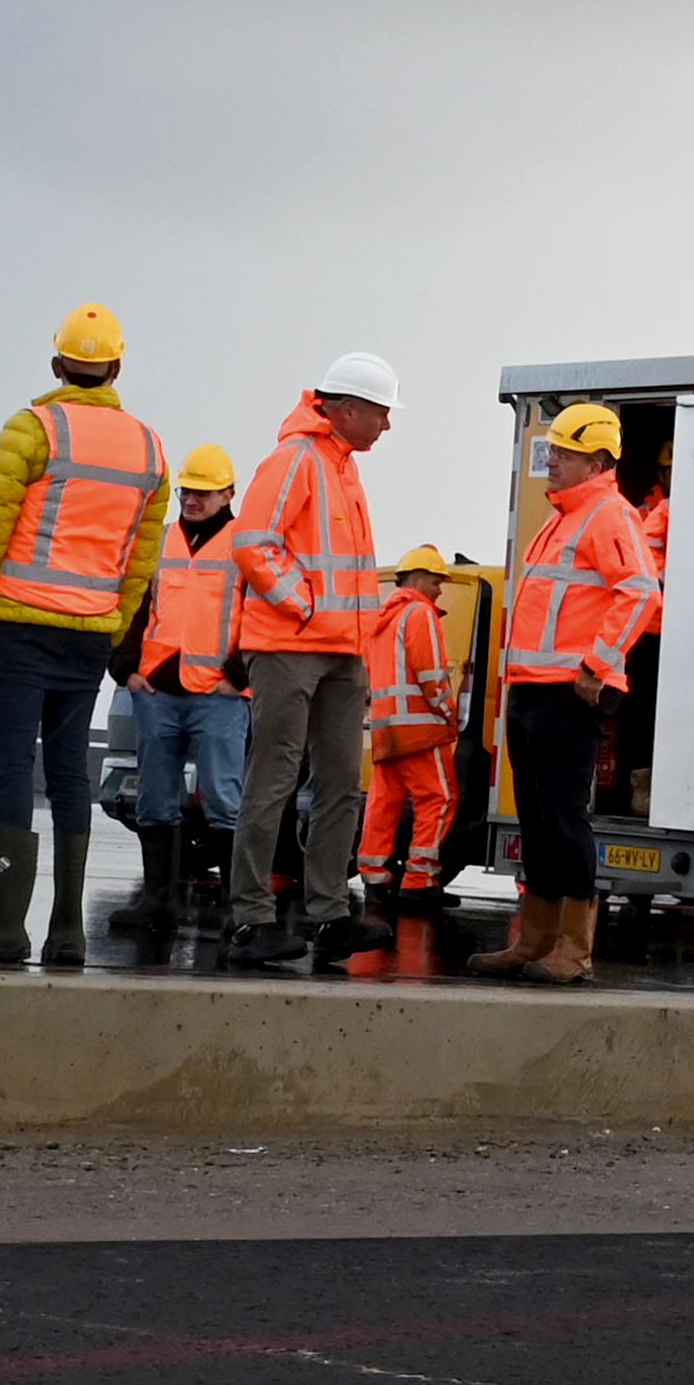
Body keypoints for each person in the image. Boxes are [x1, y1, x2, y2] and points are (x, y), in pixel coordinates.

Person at [0, 308, 173, 972]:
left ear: (57, 366)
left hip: (18, 627)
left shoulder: (31, 429)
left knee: (13, 768)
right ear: (116, 367)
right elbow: (142, 561)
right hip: (88, 637)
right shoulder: (149, 448)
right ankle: (67, 929)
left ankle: (0, 922)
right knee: (71, 770)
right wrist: (110, 626)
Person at [466, 404, 653, 987]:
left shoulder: (607, 515)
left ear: (596, 461)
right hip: (532, 691)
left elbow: (641, 593)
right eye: (553, 452)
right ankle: (538, 940)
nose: (553, 462)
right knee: (538, 821)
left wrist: (595, 667)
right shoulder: (564, 517)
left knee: (564, 820)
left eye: (564, 455)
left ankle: (572, 950)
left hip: (569, 694)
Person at [224, 354, 399, 972]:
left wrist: (336, 623)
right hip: (290, 649)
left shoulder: (341, 466)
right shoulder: (296, 459)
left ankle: (328, 918)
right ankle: (251, 920)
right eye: (380, 413)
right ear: (346, 409)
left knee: (340, 787)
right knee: (273, 782)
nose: (386, 426)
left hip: (341, 651)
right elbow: (252, 543)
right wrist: (304, 608)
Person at [128, 444, 251, 949]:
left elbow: (262, 617)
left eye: (203, 492)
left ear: (228, 493)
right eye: (187, 491)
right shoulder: (160, 542)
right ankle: (157, 900)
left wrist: (240, 678)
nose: (193, 500)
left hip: (218, 696)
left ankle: (236, 907)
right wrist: (127, 668)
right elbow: (134, 603)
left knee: (225, 801)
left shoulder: (245, 545)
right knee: (154, 800)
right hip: (158, 689)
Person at [357, 545, 463, 908]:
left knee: (384, 801)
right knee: (440, 797)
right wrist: (449, 712)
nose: (439, 590)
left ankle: (374, 879)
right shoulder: (421, 613)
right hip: (421, 729)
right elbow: (431, 673)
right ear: (417, 578)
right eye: (436, 581)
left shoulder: (382, 620)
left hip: (386, 730)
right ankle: (420, 879)